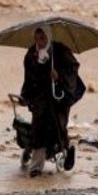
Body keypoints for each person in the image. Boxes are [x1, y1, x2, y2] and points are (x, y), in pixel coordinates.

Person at [20, 27, 82, 177]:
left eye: (43, 38)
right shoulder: (31, 54)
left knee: (59, 126)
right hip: (40, 97)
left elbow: (72, 69)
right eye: (37, 38)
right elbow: (28, 76)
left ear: (48, 37)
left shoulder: (60, 51)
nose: (39, 41)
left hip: (59, 97)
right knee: (39, 127)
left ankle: (66, 151)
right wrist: (26, 95)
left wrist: (58, 77)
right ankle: (36, 167)